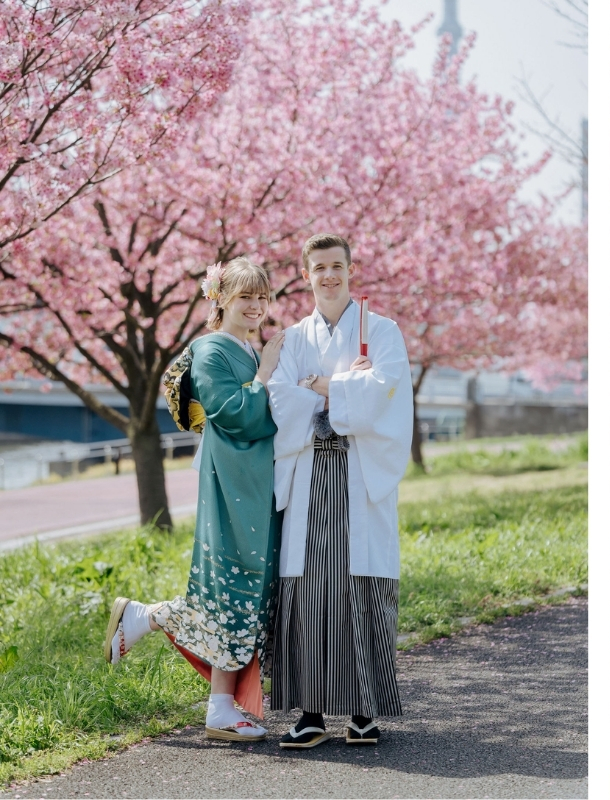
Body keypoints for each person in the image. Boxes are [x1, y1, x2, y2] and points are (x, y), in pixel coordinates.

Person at [103, 257, 285, 742]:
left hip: (251, 479)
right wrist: (266, 373)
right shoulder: (211, 351)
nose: (256, 306)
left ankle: (219, 705)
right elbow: (237, 415)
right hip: (230, 482)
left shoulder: (243, 349)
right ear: (219, 299)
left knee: (247, 591)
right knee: (231, 588)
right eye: (245, 296)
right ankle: (151, 618)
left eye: (262, 297)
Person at [267, 233, 414, 749]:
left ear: (351, 269)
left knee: (359, 587)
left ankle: (363, 710)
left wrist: (323, 387)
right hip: (309, 473)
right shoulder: (291, 338)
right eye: (318, 268)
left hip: (360, 474)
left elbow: (387, 395)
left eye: (337, 266)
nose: (328, 276)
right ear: (305, 274)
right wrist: (344, 386)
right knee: (308, 590)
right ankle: (308, 713)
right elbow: (280, 401)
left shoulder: (384, 332)